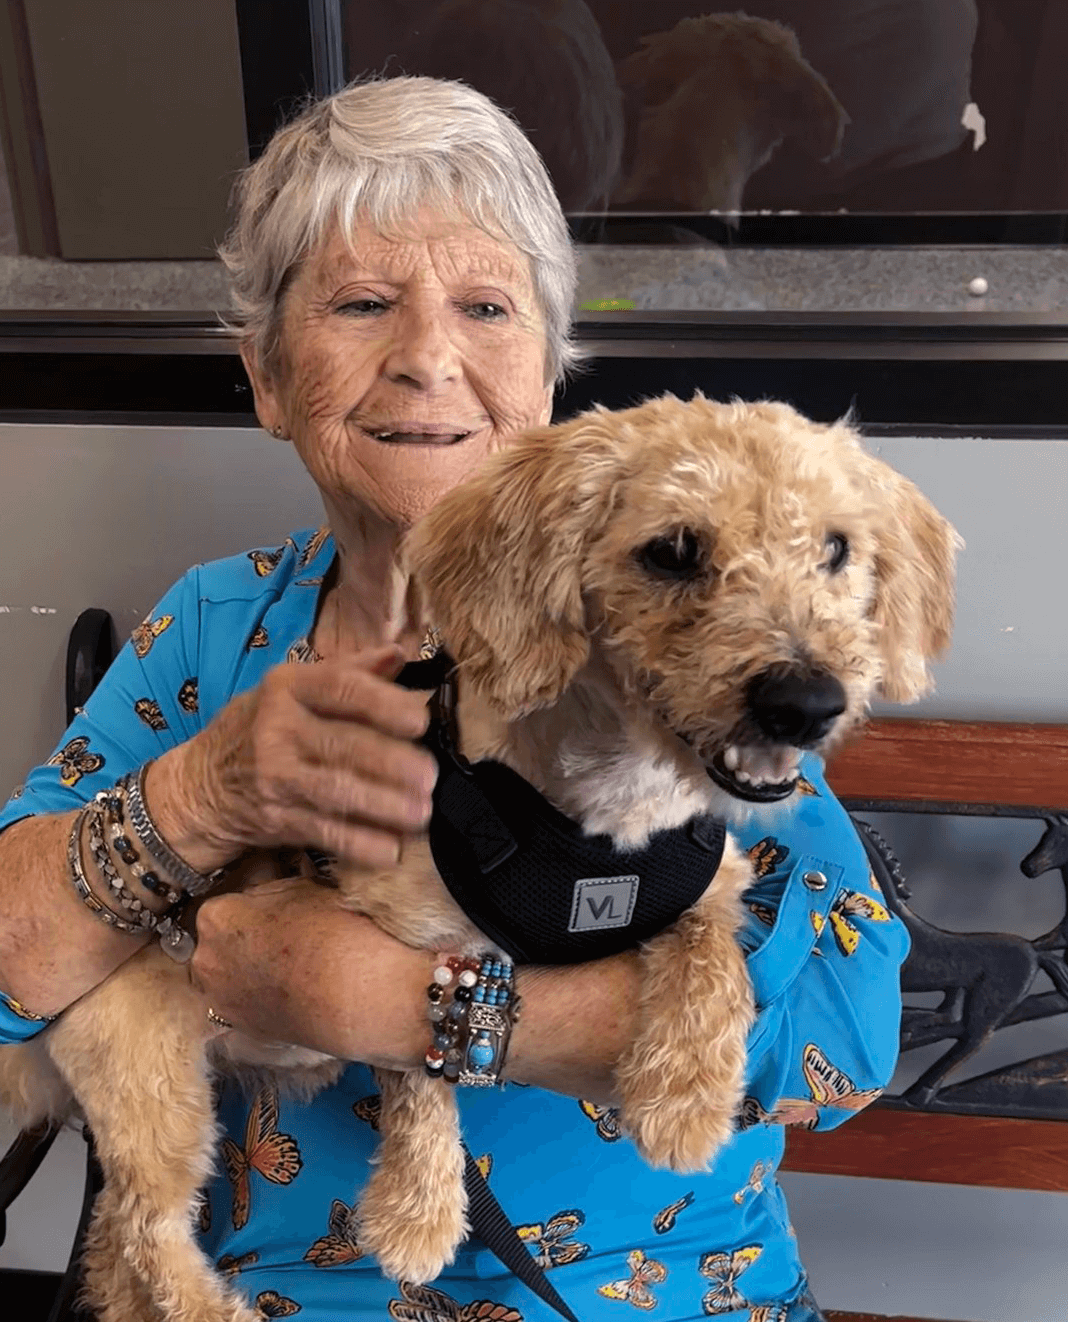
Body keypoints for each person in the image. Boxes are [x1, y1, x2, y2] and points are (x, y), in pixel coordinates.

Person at [0, 77, 907, 1321]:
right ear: (267, 377)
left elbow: (842, 1039)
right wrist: (204, 797)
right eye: (363, 303)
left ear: (545, 373)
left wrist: (396, 1003)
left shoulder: (661, 631)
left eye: (486, 306)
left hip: (662, 1298)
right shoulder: (221, 625)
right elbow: (8, 961)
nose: (428, 356)